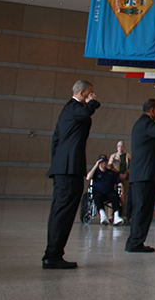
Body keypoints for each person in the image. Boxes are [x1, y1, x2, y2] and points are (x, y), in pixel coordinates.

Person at [42, 79, 99, 269]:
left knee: (63, 213)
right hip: (67, 170)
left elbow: (56, 140)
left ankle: (54, 253)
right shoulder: (73, 107)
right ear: (82, 94)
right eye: (90, 93)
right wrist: (93, 103)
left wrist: (58, 163)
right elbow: (84, 113)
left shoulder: (70, 111)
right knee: (62, 213)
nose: (92, 96)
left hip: (66, 168)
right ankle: (52, 255)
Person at [126, 98, 155, 253]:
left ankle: (136, 241)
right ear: (152, 110)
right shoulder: (145, 123)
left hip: (145, 175)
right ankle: (135, 242)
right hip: (143, 175)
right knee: (142, 209)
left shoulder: (144, 123)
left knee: (144, 210)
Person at [86, 155, 124, 225]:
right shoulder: (96, 172)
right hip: (98, 192)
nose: (104, 163)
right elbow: (88, 178)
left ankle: (116, 217)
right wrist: (96, 165)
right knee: (97, 197)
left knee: (115, 197)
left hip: (109, 192)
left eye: (105, 161)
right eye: (102, 162)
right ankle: (103, 216)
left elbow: (118, 183)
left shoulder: (111, 173)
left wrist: (121, 190)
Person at [108, 141, 131, 219]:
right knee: (112, 195)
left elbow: (131, 167)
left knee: (124, 196)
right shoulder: (113, 156)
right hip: (115, 178)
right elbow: (110, 167)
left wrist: (125, 174)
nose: (120, 148)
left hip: (125, 178)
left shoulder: (127, 156)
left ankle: (123, 214)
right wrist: (117, 174)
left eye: (122, 146)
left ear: (124, 147)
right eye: (119, 146)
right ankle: (111, 215)